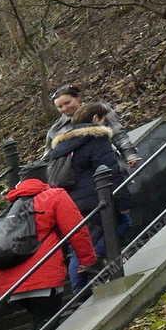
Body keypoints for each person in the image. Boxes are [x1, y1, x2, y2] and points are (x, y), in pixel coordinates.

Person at [0, 161, 99, 330]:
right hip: (42, 277)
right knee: (47, 324)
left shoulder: (12, 205)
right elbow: (77, 231)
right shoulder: (54, 196)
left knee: (40, 321)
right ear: (46, 177)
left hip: (8, 282)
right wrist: (87, 260)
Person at [47, 101, 128, 278]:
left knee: (80, 245)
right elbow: (110, 170)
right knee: (121, 223)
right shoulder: (97, 138)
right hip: (97, 198)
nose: (104, 123)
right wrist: (123, 201)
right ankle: (92, 260)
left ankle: (80, 294)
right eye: (102, 119)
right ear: (94, 119)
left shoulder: (63, 144)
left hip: (71, 202)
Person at [45, 83, 140, 168]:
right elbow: (49, 158)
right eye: (60, 107)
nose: (65, 108)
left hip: (109, 164)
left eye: (67, 103)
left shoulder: (99, 111)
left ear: (78, 98)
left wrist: (130, 155)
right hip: (77, 176)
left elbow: (118, 135)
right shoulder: (55, 130)